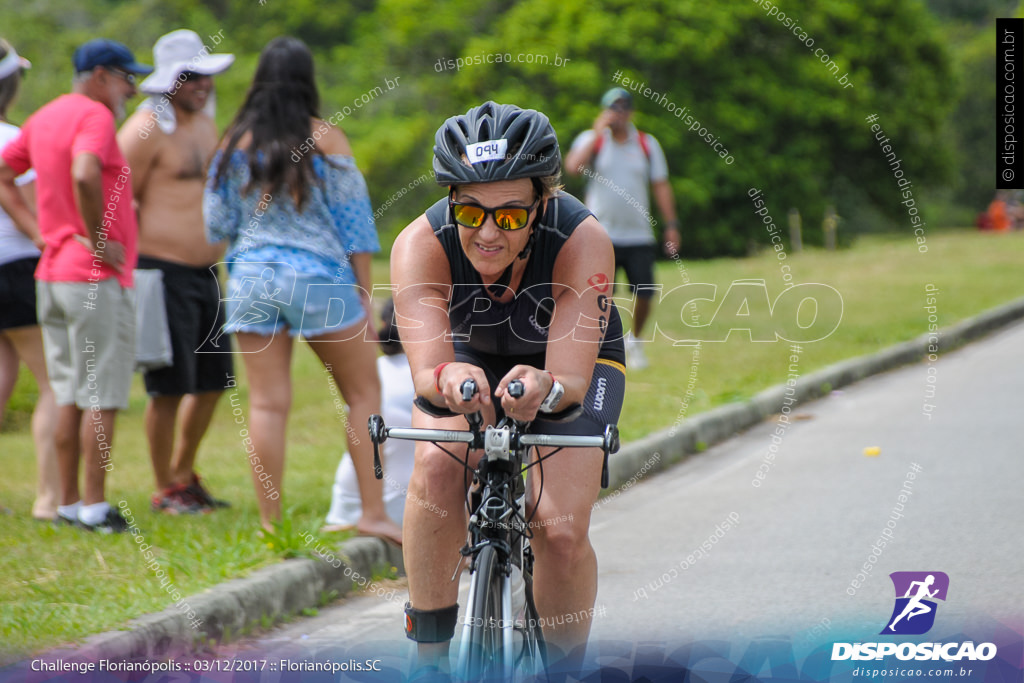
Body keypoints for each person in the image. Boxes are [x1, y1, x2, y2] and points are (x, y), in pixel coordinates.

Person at [390, 101, 626, 672]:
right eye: (471, 214)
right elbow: (427, 373)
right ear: (451, 203)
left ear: (542, 204)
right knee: (438, 468)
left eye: (512, 217)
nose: (489, 233)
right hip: (468, 354)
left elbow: (568, 382)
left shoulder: (582, 239)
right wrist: (448, 376)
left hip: (566, 364)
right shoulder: (419, 243)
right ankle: (429, 657)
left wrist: (544, 387)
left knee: (560, 529)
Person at [204, 36, 401, 544]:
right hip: (320, 278)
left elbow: (215, 222)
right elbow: (355, 224)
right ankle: (373, 513)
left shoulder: (232, 142)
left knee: (268, 405)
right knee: (363, 395)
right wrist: (365, 290)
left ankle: (272, 525)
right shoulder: (327, 138)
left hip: (251, 278)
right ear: (306, 80)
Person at [0, 39, 151, 533]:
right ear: (101, 75)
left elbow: (5, 174)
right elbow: (87, 172)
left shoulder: (43, 116)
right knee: (101, 396)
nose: (131, 88)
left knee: (67, 394)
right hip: (92, 278)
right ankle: (93, 507)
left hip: (53, 275)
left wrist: (41, 234)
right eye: (127, 77)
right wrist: (100, 237)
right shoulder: (95, 116)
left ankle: (67, 504)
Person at [118, 29, 235, 515]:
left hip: (206, 272)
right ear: (169, 80)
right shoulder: (144, 129)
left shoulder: (203, 125)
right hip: (160, 273)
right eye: (190, 77)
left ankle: (185, 475)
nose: (201, 84)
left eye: (204, 75)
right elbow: (112, 197)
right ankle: (164, 485)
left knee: (213, 381)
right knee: (169, 387)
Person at [565, 86, 681, 369]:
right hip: (600, 234)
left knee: (645, 292)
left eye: (623, 108)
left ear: (631, 111)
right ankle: (601, 349)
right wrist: (596, 133)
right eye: (612, 108)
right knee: (601, 295)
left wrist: (671, 225)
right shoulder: (592, 140)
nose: (618, 113)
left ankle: (636, 342)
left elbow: (661, 185)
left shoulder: (645, 143)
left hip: (638, 233)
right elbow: (572, 167)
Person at [0, 39, 59, 521]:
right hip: (17, 267)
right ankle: (48, 496)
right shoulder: (14, 140)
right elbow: (34, 208)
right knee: (52, 382)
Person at [323, 298, 415, 531]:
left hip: (346, 506)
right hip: (407, 509)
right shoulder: (440, 377)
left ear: (384, 323)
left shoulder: (369, 376)